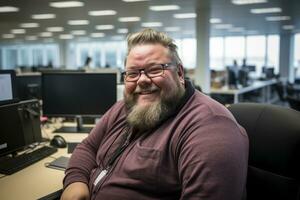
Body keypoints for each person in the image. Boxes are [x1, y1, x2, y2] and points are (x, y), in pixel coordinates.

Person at [61, 28, 249, 200]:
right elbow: (88, 147)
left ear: (180, 73)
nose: (142, 80)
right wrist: (75, 181)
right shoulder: (126, 107)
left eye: (154, 70)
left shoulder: (209, 129)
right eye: (132, 73)